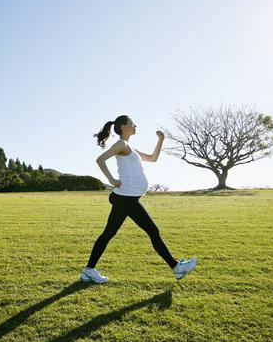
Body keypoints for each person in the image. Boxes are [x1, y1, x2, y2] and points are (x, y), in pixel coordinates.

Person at [80, 115, 197, 284]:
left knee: (109, 234)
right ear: (123, 127)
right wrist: (112, 180)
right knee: (152, 231)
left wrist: (161, 140)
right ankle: (176, 267)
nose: (135, 125)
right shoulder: (121, 144)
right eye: (132, 123)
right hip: (126, 198)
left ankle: (88, 271)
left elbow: (152, 158)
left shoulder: (129, 148)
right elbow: (100, 160)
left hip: (127, 198)